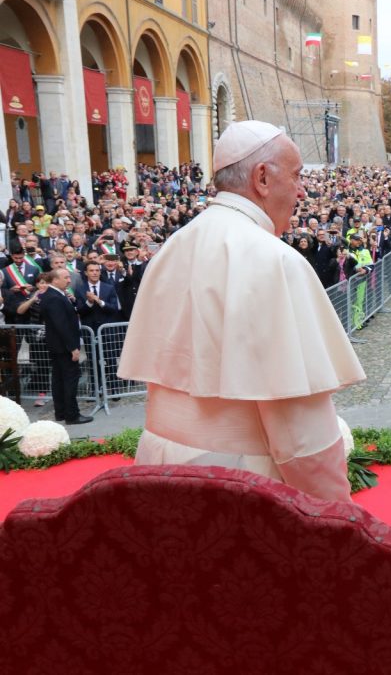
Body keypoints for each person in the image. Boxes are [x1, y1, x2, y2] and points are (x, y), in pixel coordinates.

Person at [118, 121, 366, 503]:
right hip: (241, 483)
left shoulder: (174, 244)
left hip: (159, 473)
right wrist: (340, 515)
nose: (302, 190)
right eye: (297, 176)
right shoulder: (275, 260)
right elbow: (300, 432)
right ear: (262, 177)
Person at [37, 269, 92, 425]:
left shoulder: (55, 295)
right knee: (69, 380)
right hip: (63, 347)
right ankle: (72, 415)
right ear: (55, 280)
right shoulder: (54, 297)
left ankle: (61, 412)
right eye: (66, 277)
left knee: (59, 380)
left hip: (58, 346)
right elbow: (61, 325)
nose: (69, 280)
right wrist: (73, 348)